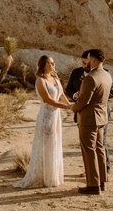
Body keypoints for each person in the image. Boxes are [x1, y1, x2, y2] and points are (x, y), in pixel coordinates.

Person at [14, 55, 71, 188]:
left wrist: (69, 104)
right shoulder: (40, 80)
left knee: (55, 143)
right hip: (46, 116)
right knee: (46, 145)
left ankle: (53, 176)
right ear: (44, 65)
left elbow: (61, 94)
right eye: (51, 63)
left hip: (56, 116)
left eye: (54, 63)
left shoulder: (55, 78)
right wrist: (67, 107)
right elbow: (48, 100)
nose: (53, 65)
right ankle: (43, 177)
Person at [69, 48, 112, 195]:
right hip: (102, 117)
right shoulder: (107, 75)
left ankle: (92, 185)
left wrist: (73, 108)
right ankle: (102, 182)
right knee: (99, 149)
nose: (86, 62)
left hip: (88, 118)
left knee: (88, 150)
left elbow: (83, 101)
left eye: (87, 59)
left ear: (93, 60)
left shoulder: (91, 78)